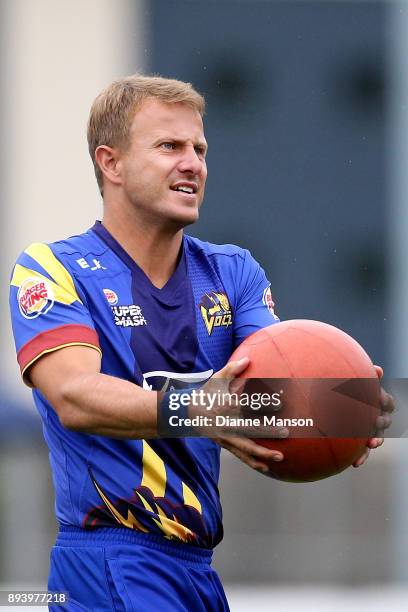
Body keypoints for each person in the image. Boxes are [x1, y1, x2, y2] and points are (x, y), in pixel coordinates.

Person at [9, 74, 392, 611]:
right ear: (110, 163)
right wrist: (199, 409)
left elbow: (272, 394)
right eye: (169, 146)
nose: (193, 163)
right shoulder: (51, 269)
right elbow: (74, 395)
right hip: (108, 564)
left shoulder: (233, 271)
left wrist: (343, 410)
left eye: (199, 148)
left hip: (198, 572)